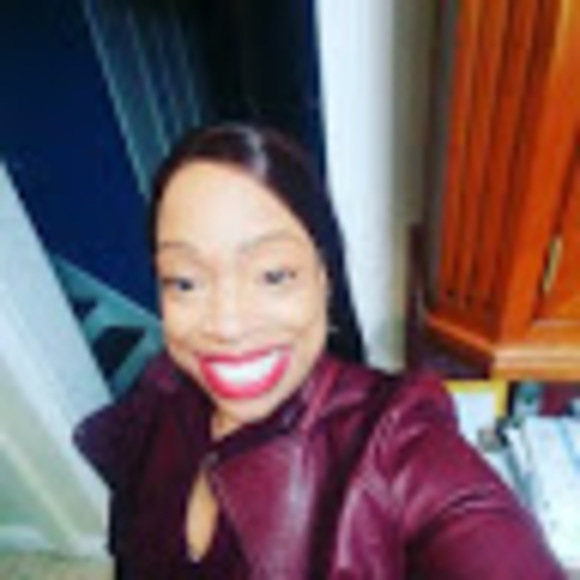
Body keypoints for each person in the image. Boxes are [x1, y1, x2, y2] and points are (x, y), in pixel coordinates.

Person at [75, 123, 565, 579]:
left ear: (324, 277)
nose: (226, 326)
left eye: (273, 275)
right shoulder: (159, 394)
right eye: (184, 281)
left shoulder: (393, 442)